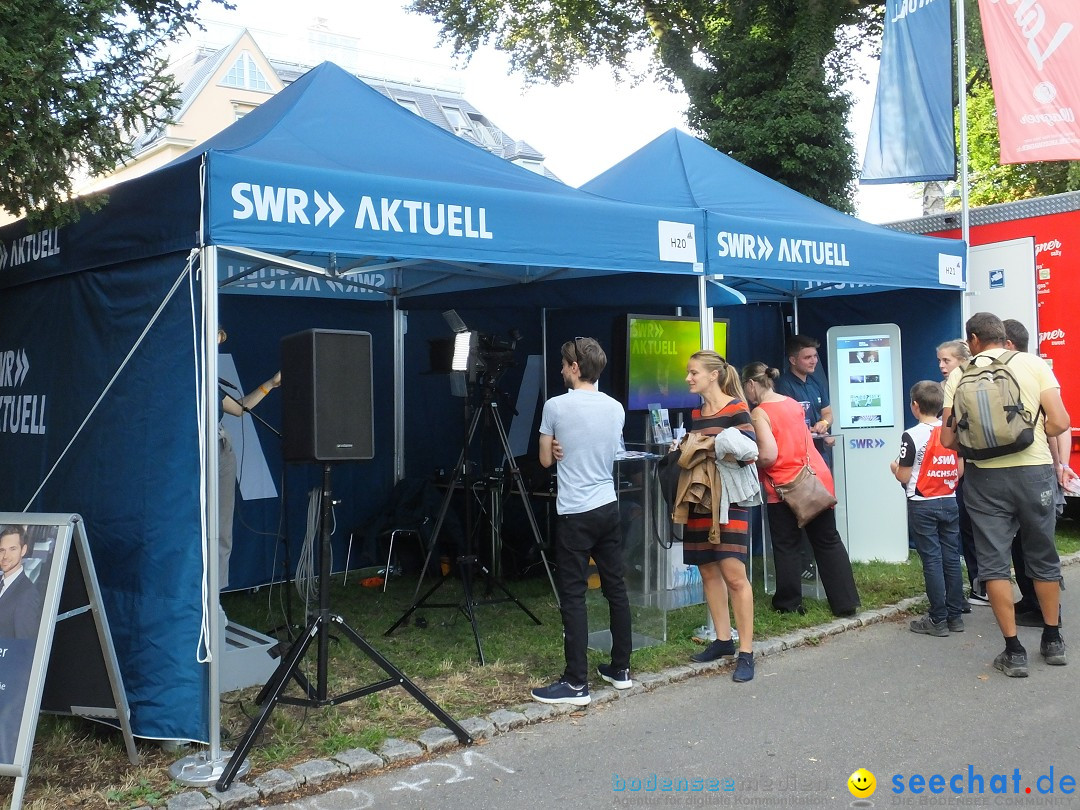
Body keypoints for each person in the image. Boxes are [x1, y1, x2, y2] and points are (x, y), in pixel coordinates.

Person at [941, 312, 1070, 677]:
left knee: (994, 563)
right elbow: (1060, 421)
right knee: (1042, 554)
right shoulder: (1034, 363)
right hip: (1034, 473)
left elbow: (948, 439)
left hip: (985, 479)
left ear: (974, 340)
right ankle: (1052, 638)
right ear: (1004, 337)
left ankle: (1013, 651)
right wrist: (1031, 429)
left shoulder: (959, 375)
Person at [531, 337, 631, 706]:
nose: (560, 370)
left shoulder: (556, 406)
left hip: (575, 510)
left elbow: (544, 461)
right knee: (615, 589)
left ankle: (576, 682)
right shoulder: (615, 407)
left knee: (573, 594)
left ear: (575, 367)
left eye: (563, 364)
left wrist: (555, 445)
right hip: (608, 505)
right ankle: (620, 668)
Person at [741, 362, 860, 618]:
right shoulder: (792, 403)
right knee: (828, 540)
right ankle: (845, 602)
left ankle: (789, 603)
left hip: (784, 486)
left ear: (751, 384)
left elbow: (770, 455)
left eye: (745, 388)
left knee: (786, 545)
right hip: (815, 479)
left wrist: (751, 460)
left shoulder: (760, 413)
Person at [671, 350, 756, 682]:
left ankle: (746, 651)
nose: (688, 378)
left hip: (730, 499)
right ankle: (723, 640)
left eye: (693, 372)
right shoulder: (697, 412)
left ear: (713, 375)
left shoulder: (736, 408)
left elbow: (749, 452)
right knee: (707, 570)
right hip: (701, 497)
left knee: (734, 575)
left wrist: (709, 444)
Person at [1002, 319, 1077, 628]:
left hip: (1034, 467)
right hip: (1042, 467)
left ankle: (1045, 611)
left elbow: (1061, 424)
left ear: (1007, 344)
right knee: (1029, 542)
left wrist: (1060, 464)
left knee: (1034, 543)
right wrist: (1062, 464)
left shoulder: (1026, 372)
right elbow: (1062, 424)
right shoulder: (1037, 371)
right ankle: (1032, 601)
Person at [890, 381, 966, 636]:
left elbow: (903, 476)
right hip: (949, 498)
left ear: (915, 405)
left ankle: (937, 618)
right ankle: (955, 616)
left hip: (922, 503)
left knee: (932, 560)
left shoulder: (912, 434)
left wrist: (893, 466)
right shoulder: (952, 432)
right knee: (952, 557)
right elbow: (960, 469)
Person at [218, 325, 281, 590]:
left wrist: (271, 384)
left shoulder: (210, 378)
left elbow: (240, 408)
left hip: (219, 450)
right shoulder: (187, 370)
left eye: (220, 340)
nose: (218, 344)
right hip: (193, 454)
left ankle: (215, 596)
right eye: (216, 338)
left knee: (222, 528)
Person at [937, 339, 984, 608]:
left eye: (948, 361)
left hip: (967, 466)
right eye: (940, 361)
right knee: (964, 528)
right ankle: (978, 583)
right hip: (954, 465)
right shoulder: (944, 388)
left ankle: (982, 584)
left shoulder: (967, 386)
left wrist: (960, 459)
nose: (943, 366)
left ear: (963, 360)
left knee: (972, 528)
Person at [775, 335, 834, 466]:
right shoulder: (783, 385)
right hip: (797, 455)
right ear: (793, 360)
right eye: (807, 357)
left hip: (819, 452)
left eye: (815, 356)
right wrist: (813, 430)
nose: (813, 361)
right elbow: (786, 423)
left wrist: (823, 424)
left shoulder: (816, 382)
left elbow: (828, 414)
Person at [0, 524, 43, 640]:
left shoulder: (27, 594)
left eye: (12, 549)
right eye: (2, 550)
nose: (5, 556)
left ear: (23, 550)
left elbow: (24, 645)